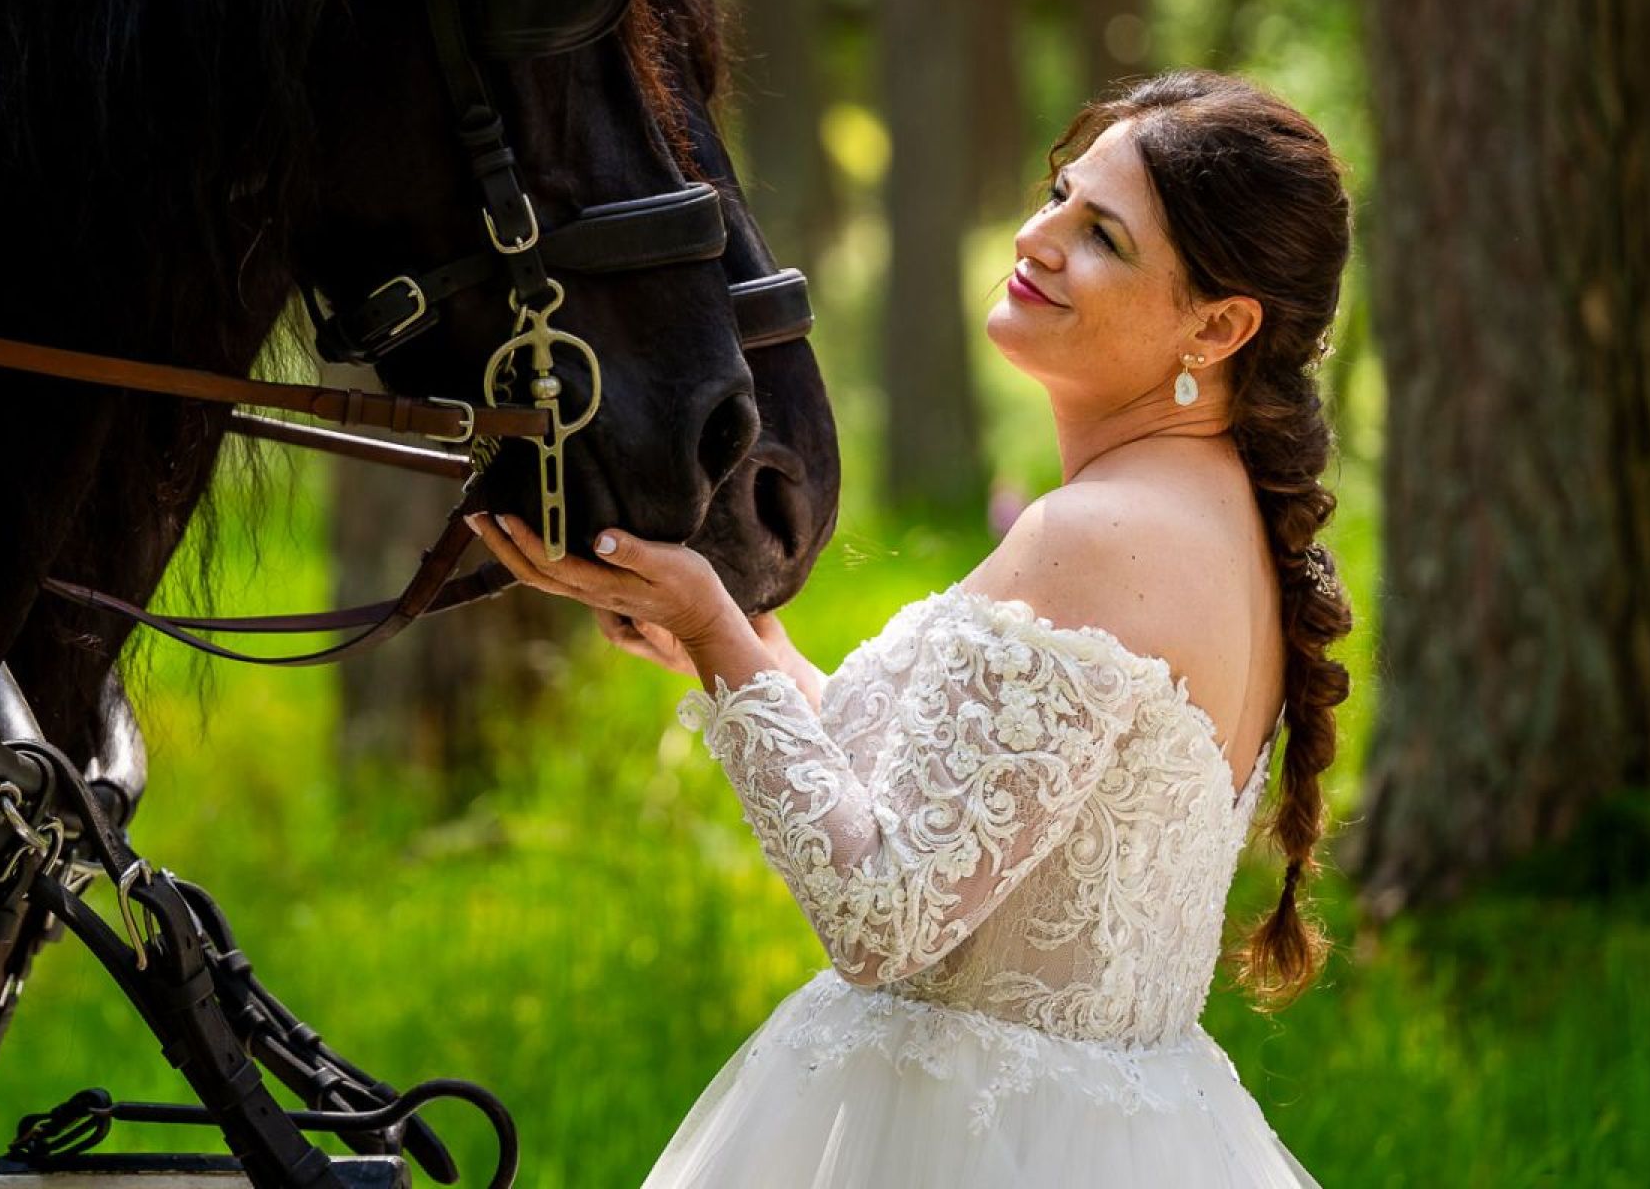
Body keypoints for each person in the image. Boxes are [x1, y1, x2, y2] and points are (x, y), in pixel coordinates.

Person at [467, 69, 1350, 1186]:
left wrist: (714, 630)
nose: (1038, 238)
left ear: (1218, 325)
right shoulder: (1204, 514)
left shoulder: (1102, 532)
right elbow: (968, 810)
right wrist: (749, 647)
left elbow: (887, 917)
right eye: (1059, 195)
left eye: (1104, 237)